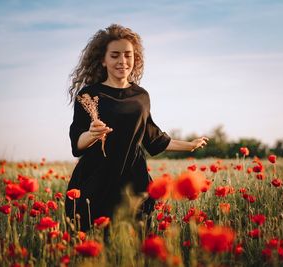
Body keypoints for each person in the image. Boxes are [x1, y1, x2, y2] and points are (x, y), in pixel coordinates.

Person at [65, 24, 209, 232]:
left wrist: (190, 145)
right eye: (114, 55)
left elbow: (153, 137)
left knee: (135, 244)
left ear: (135, 58)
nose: (122, 61)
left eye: (128, 55)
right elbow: (76, 142)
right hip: (96, 181)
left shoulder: (141, 96)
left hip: (133, 180)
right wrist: (92, 134)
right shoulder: (89, 95)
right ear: (103, 60)